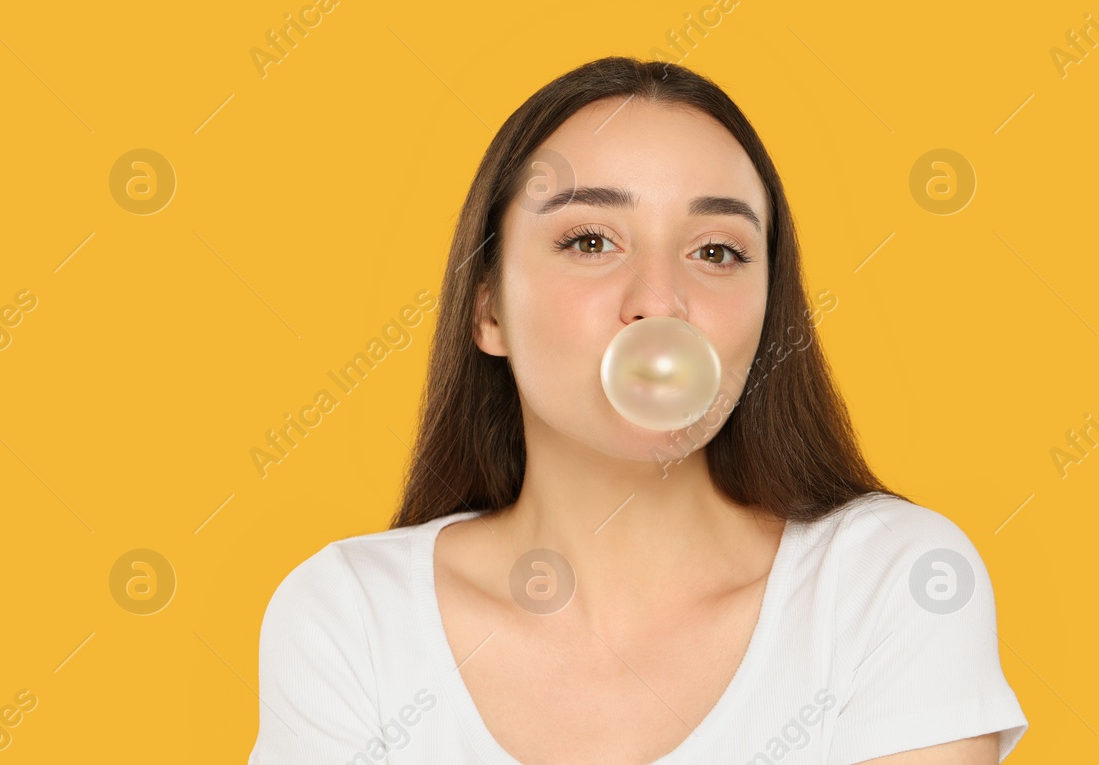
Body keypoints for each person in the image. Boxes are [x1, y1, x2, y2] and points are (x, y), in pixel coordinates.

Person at [248, 56, 1028, 764]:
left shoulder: (889, 581)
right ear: (487, 310)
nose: (660, 301)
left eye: (716, 251)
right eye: (591, 241)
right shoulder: (350, 617)